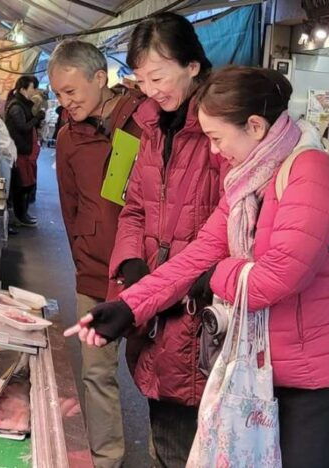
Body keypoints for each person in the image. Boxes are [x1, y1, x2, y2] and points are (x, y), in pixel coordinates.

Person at [66, 66, 329, 468]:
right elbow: (200, 253)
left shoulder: (311, 171)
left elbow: (277, 277)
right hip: (262, 369)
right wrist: (129, 306)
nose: (213, 151)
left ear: (255, 126)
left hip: (321, 379)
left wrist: (216, 276)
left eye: (217, 138)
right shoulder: (247, 179)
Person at [105, 13, 225, 468]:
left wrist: (195, 281)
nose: (150, 89)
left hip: (202, 307)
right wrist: (131, 263)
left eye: (157, 77)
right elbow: (134, 207)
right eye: (141, 79)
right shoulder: (152, 128)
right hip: (155, 305)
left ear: (192, 65)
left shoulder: (220, 129)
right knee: (165, 429)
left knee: (196, 441)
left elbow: (234, 225)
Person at [48, 39, 146, 468]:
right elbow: (69, 207)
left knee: (160, 376)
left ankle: (168, 456)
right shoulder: (69, 137)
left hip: (146, 275)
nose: (64, 102)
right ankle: (106, 459)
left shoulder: (144, 122)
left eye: (71, 91)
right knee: (96, 373)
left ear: (100, 78)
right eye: (58, 94)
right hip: (94, 274)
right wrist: (84, 258)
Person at [4, 76, 43, 227]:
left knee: (24, 185)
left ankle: (21, 215)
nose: (35, 91)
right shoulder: (16, 106)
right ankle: (20, 216)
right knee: (21, 186)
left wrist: (37, 119)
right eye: (33, 87)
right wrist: (37, 118)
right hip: (18, 151)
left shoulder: (23, 104)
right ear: (23, 89)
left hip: (23, 150)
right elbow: (22, 127)